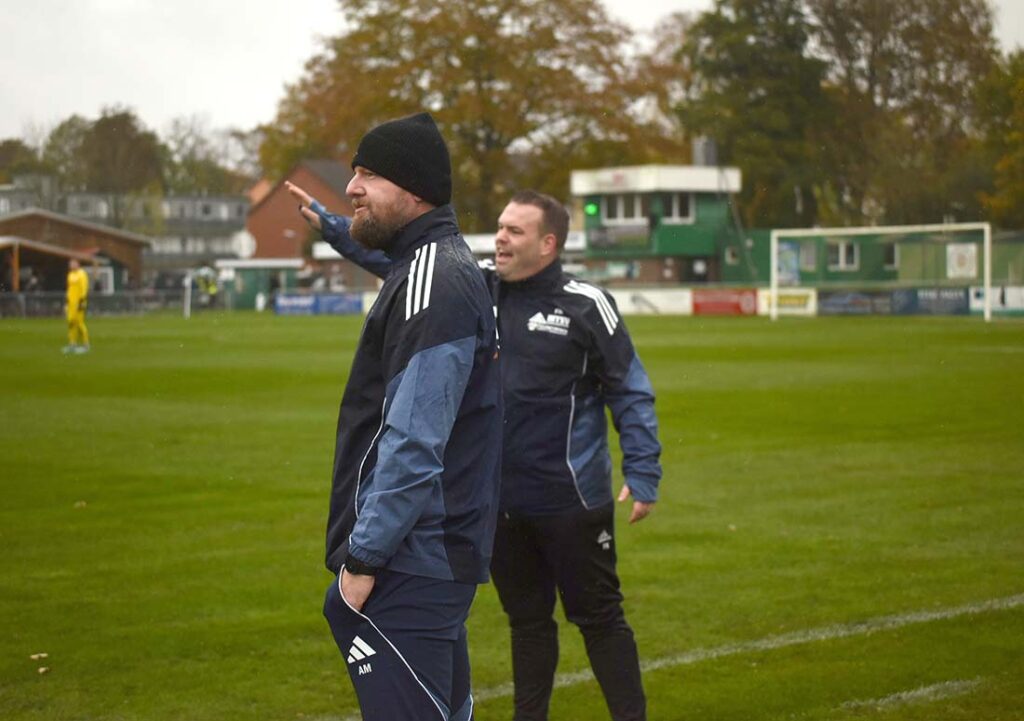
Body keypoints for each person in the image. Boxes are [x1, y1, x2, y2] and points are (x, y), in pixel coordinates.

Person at [300, 185, 662, 721]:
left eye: (515, 230)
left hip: (571, 503)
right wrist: (334, 227)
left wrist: (644, 468)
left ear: (548, 243)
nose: (500, 238)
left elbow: (629, 389)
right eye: (499, 227)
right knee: (528, 624)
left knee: (600, 618)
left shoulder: (587, 303)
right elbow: (394, 261)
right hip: (497, 504)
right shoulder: (474, 284)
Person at [289, 112, 502, 721]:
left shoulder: (435, 283)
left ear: (414, 190)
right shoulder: (432, 264)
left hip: (411, 558)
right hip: (432, 554)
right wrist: (333, 226)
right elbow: (376, 247)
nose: (351, 187)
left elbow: (414, 441)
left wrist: (364, 560)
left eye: (368, 175)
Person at [64, 259, 90, 354]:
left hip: (79, 303)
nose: (71, 266)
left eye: (73, 264)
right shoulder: (70, 275)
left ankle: (86, 344)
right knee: (71, 323)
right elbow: (69, 289)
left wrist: (82, 301)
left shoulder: (82, 274)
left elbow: (84, 288)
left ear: (78, 264)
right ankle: (72, 343)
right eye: (70, 264)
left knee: (80, 323)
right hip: (71, 303)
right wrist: (67, 302)